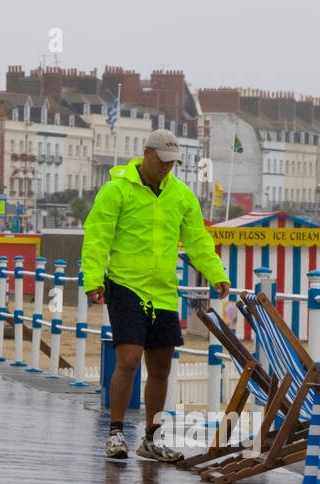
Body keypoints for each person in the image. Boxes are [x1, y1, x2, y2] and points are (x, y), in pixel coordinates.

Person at [82, 129, 230, 460]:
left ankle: (151, 438)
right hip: (125, 285)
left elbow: (197, 241)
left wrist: (216, 273)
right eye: (162, 161)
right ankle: (116, 432)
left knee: (161, 366)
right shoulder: (116, 190)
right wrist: (92, 279)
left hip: (163, 289)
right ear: (147, 153)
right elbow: (96, 237)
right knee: (130, 359)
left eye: (172, 163)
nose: (167, 168)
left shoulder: (181, 195)